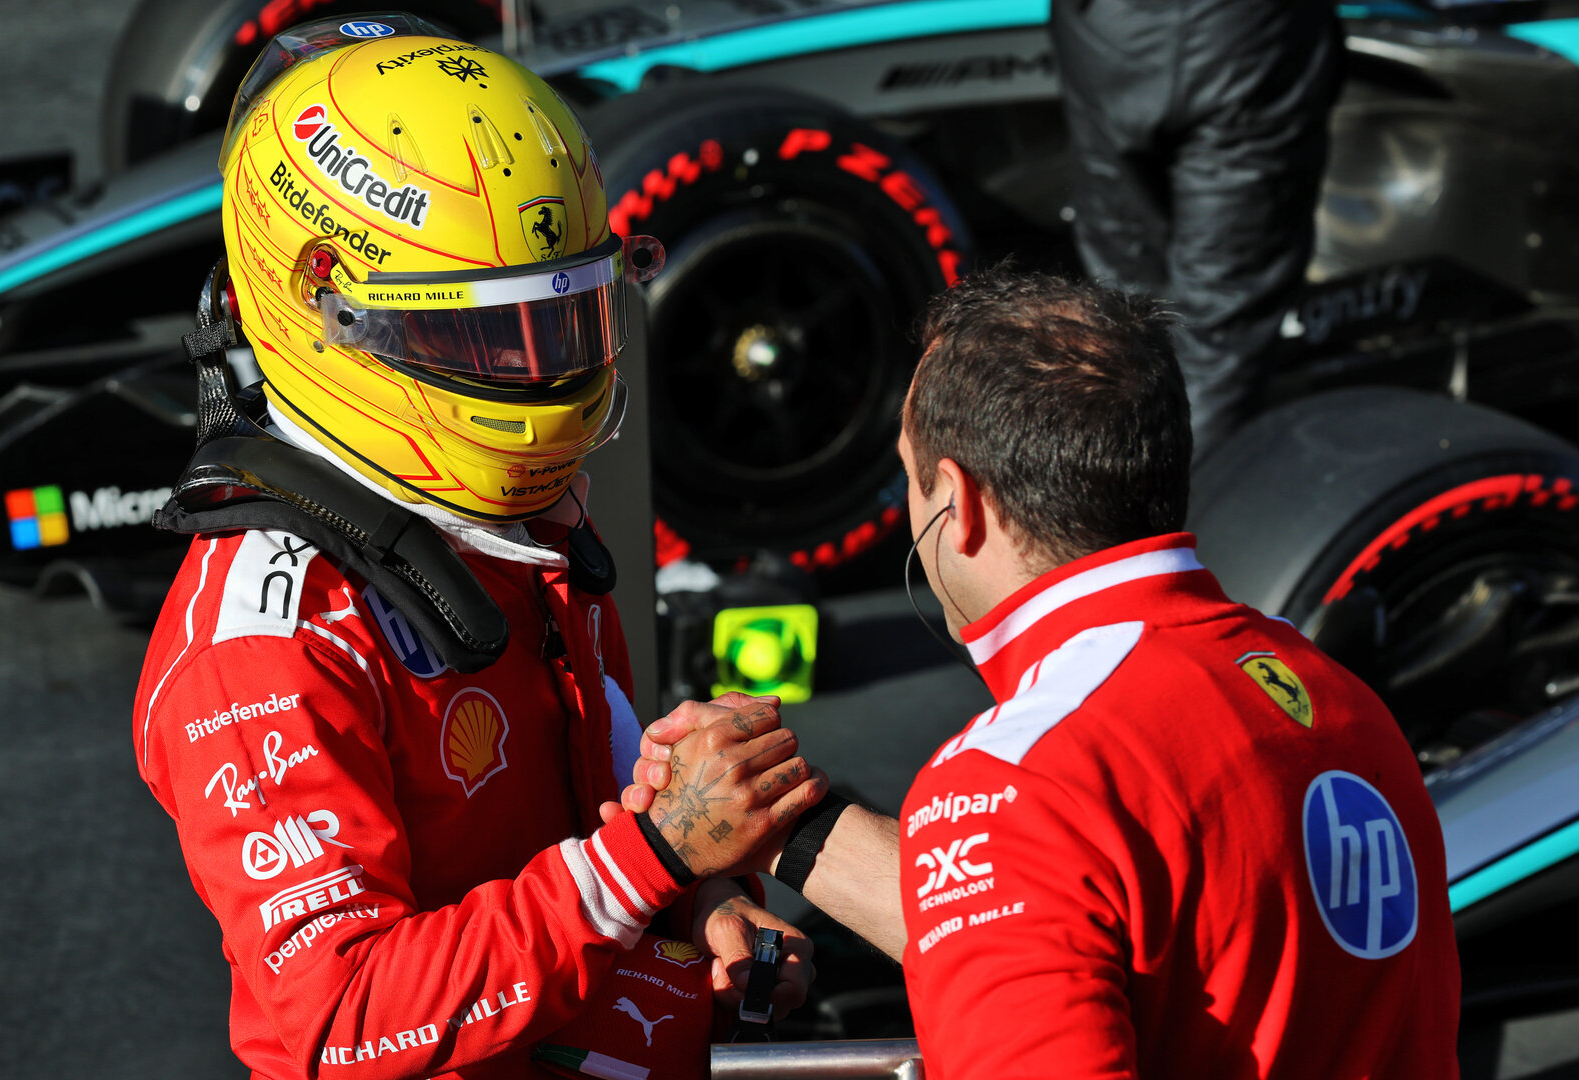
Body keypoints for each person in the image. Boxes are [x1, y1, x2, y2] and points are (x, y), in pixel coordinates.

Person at [131, 15, 823, 1080]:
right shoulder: (264, 647)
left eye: (564, 321)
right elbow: (344, 1019)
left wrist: (706, 894)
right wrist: (656, 857)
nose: (538, 370)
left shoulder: (510, 513)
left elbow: (593, 801)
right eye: (483, 334)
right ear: (328, 303)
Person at [621, 267, 1462, 1078]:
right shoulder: (1323, 688)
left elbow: (1037, 867)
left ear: (959, 501)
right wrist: (780, 814)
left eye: (909, 477)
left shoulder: (1014, 781)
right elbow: (1057, 923)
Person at [1051, 0, 1345, 457]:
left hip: (1107, 35)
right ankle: (1188, 511)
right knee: (1216, 336)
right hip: (1246, 40)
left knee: (1126, 317)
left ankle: (1118, 505)